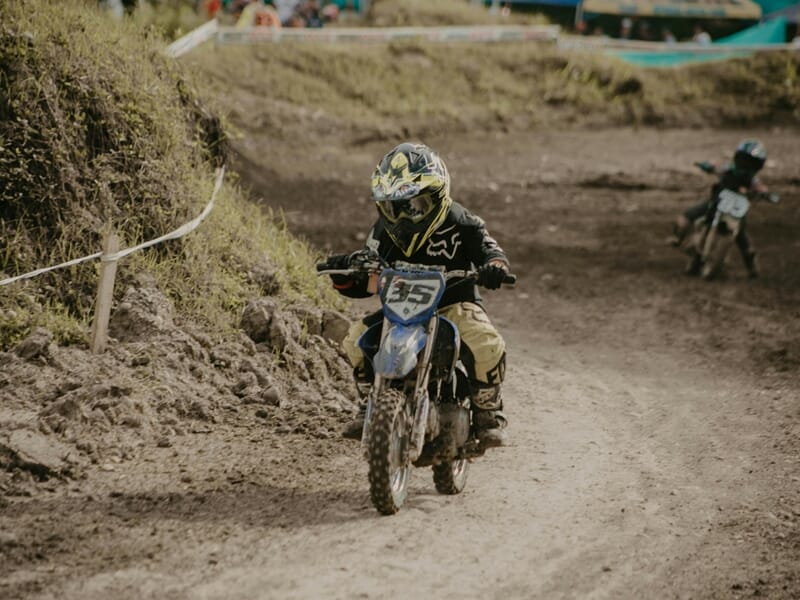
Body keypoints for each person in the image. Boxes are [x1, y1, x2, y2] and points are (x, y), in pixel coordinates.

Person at [319, 142, 512, 447]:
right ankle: (370, 403)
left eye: (414, 206)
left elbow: (491, 250)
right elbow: (369, 276)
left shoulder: (461, 221)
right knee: (356, 340)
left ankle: (487, 411)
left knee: (487, 342)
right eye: (394, 207)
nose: (404, 217)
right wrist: (347, 268)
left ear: (437, 197)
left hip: (453, 304)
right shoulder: (383, 230)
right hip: (401, 309)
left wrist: (494, 266)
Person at [670, 139, 776, 278]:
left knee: (742, 236)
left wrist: (766, 194)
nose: (745, 165)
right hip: (716, 203)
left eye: (750, 162)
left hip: (735, 210)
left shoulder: (752, 180)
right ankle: (680, 240)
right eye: (744, 160)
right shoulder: (728, 169)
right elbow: (715, 168)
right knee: (689, 217)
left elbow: (760, 188)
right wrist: (707, 166)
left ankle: (751, 266)